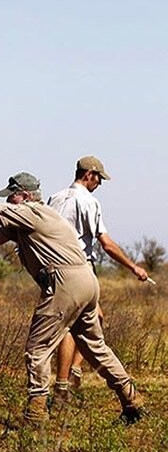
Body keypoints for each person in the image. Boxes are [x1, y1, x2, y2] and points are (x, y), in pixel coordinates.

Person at [0, 171, 145, 424]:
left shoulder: (31, 212)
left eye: (11, 196)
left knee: (37, 349)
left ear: (23, 195)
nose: (9, 201)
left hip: (65, 283)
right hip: (86, 282)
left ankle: (36, 414)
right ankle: (132, 399)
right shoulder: (36, 217)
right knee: (94, 347)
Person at [47, 156, 149, 399]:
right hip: (80, 269)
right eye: (99, 178)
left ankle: (69, 377)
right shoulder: (88, 202)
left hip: (54, 269)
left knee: (76, 323)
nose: (99, 184)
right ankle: (71, 378)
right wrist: (133, 267)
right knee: (80, 326)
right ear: (89, 174)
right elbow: (106, 244)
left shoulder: (55, 198)